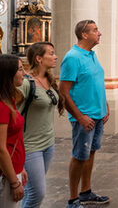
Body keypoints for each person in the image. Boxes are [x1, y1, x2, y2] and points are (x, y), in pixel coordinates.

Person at [59, 20, 110, 208]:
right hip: (84, 117)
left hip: (97, 115)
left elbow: (96, 81)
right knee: (80, 156)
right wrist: (80, 117)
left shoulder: (91, 55)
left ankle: (86, 192)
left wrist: (105, 105)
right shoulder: (72, 57)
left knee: (90, 153)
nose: (100, 33)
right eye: (95, 30)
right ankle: (73, 199)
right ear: (84, 35)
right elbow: (63, 91)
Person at [18, 42, 64, 208]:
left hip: (48, 143)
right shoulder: (25, 83)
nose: (55, 56)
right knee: (38, 193)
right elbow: (11, 113)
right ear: (38, 58)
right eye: (51, 53)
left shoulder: (49, 80)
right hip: (30, 147)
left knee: (32, 192)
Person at [0, 54, 28, 207]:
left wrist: (20, 167)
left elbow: (15, 137)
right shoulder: (2, 106)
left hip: (13, 167)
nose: (24, 73)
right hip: (5, 174)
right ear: (8, 74)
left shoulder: (9, 99)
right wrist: (13, 182)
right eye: (20, 69)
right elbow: (1, 148)